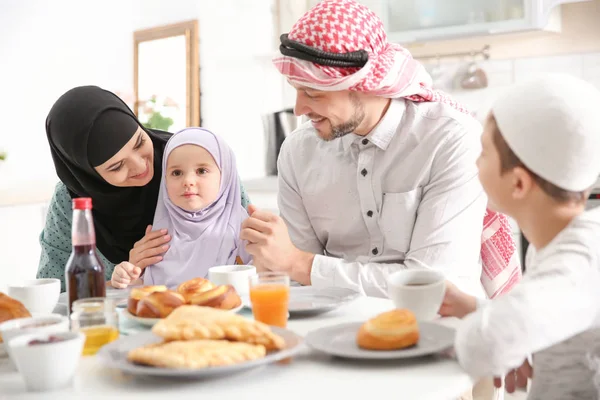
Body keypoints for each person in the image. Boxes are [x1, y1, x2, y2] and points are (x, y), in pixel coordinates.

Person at [241, 0, 520, 300]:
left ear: (363, 84)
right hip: (337, 330)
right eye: (297, 91)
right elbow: (300, 283)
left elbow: (433, 285)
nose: (299, 109)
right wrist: (279, 260)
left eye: (313, 93)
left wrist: (298, 263)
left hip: (439, 329)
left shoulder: (449, 140)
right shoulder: (297, 153)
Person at [441, 74, 600, 400]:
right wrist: (474, 308)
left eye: (483, 152)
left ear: (518, 184)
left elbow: (483, 347)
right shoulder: (560, 242)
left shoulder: (578, 261)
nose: (474, 161)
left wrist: (507, 336)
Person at [37, 86, 250, 291]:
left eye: (139, 142)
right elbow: (55, 287)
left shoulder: (189, 158)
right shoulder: (72, 202)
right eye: (117, 166)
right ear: (88, 176)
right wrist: (124, 275)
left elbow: (248, 245)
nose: (141, 166)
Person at [110, 128, 252, 289]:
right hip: (168, 312)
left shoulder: (240, 225)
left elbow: (258, 278)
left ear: (225, 175)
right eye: (176, 173)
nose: (188, 181)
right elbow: (152, 285)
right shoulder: (160, 231)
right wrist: (127, 276)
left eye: (202, 171)